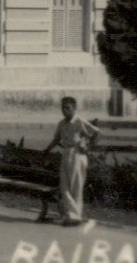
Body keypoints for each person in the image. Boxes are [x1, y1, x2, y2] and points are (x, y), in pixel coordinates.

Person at [42, 95, 100, 226]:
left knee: (76, 186)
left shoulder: (79, 121)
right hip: (66, 153)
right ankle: (73, 216)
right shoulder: (62, 123)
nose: (64, 110)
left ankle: (74, 216)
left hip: (78, 155)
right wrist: (47, 150)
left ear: (74, 108)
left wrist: (88, 146)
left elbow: (97, 132)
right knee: (64, 186)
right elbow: (56, 139)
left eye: (67, 108)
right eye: (63, 108)